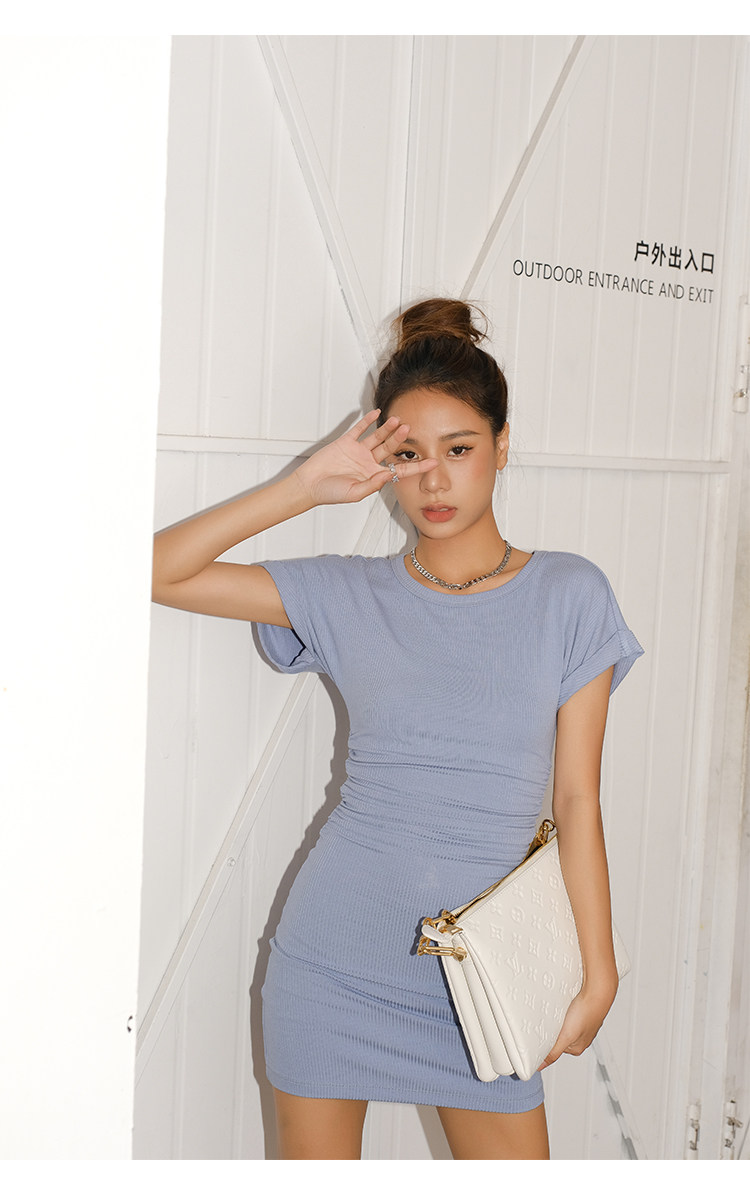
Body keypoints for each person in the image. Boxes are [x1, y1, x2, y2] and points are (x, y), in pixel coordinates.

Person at [151, 298, 643, 1160]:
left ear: (502, 446)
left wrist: (598, 971)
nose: (434, 481)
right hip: (334, 967)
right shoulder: (347, 594)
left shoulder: (570, 595)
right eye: (409, 455)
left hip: (485, 977)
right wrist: (302, 486)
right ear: (385, 463)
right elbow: (154, 570)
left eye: (460, 449)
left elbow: (576, 800)